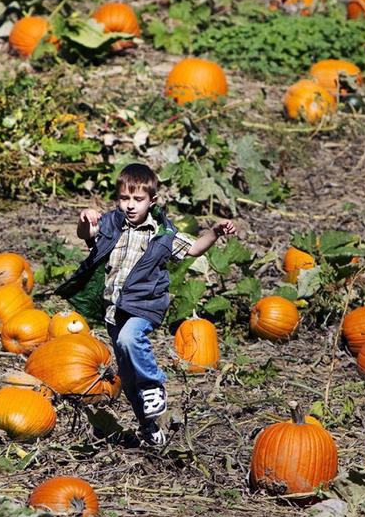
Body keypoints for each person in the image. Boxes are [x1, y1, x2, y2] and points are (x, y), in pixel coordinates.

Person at [55, 163, 237, 447]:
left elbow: (193, 249)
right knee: (127, 379)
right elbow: (86, 236)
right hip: (114, 310)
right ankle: (149, 427)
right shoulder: (112, 225)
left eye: (138, 200)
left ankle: (154, 386)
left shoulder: (162, 234)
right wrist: (85, 220)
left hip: (145, 306)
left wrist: (214, 232)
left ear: (152, 201)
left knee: (130, 339)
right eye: (124, 198)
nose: (130, 205)